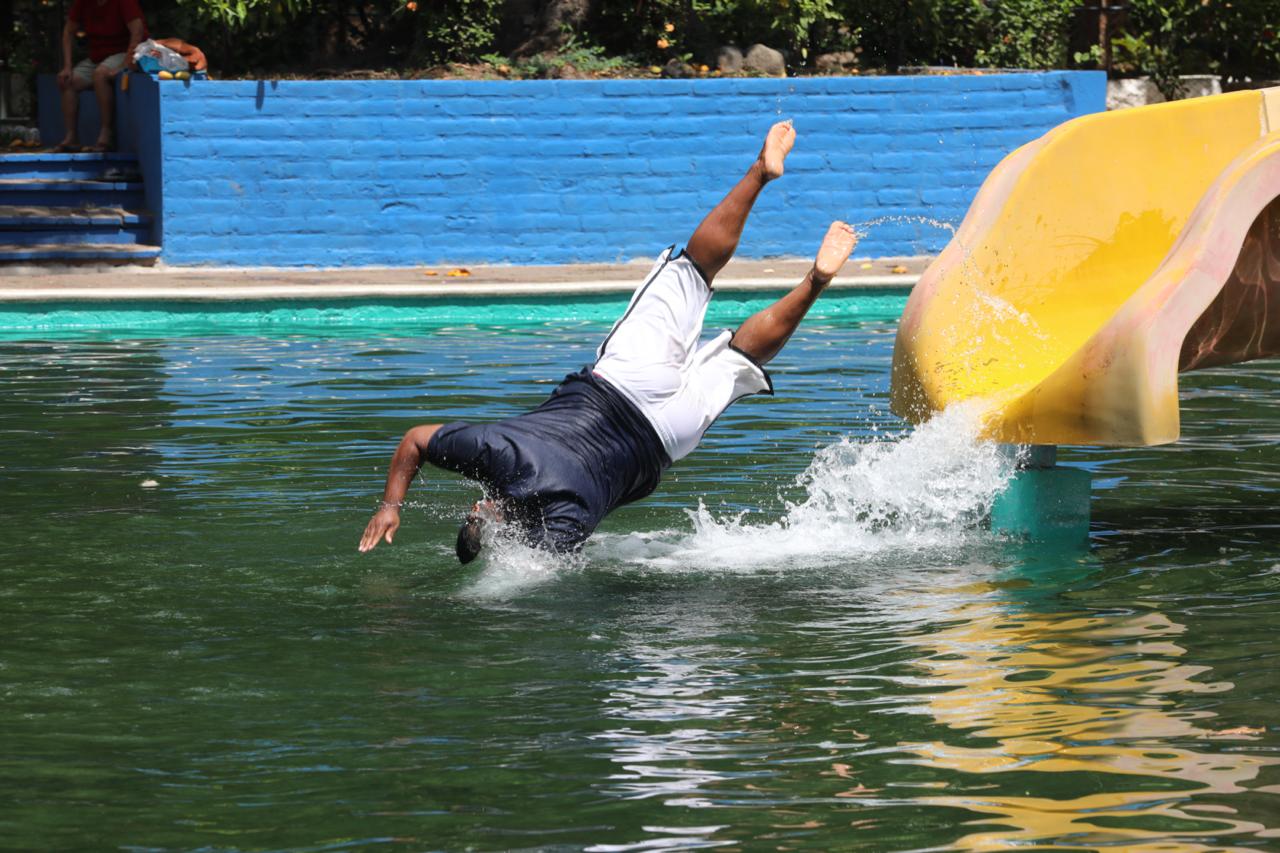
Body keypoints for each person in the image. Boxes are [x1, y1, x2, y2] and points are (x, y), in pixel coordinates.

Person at [358, 120, 859, 563]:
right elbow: (416, 440)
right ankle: (759, 173)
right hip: (620, 382)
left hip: (666, 436)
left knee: (739, 358)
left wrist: (500, 537)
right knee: (694, 270)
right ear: (484, 506)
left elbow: (542, 570)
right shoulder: (501, 453)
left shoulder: (568, 520)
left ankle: (816, 280)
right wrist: (389, 506)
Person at [54, 0, 147, 152]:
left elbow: (137, 31)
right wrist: (67, 66)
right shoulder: (83, 3)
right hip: (97, 57)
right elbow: (68, 31)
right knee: (68, 81)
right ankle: (71, 137)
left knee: (100, 74)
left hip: (125, 52)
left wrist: (125, 64)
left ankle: (106, 134)